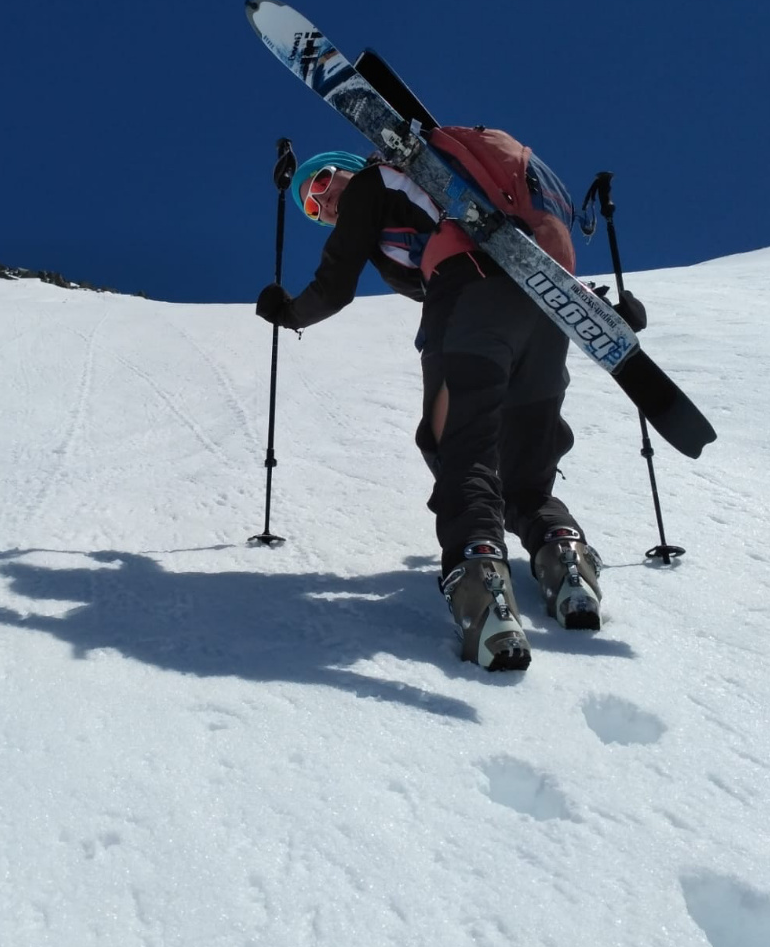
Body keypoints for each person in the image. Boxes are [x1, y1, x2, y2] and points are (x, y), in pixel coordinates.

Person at [255, 147, 643, 673]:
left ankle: (482, 591)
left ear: (350, 165)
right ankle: (565, 561)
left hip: (468, 307)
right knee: (526, 474)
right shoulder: (430, 208)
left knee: (459, 450)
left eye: (321, 181)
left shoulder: (377, 182)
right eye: (310, 206)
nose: (321, 201)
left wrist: (289, 312)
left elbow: (335, 284)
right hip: (543, 312)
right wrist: (600, 310)